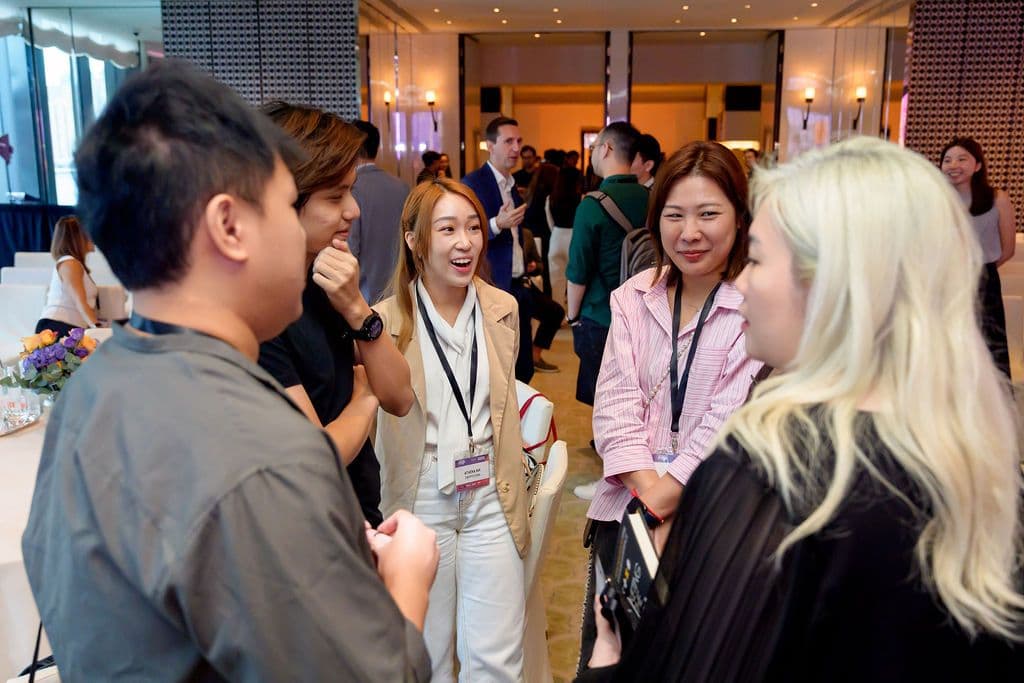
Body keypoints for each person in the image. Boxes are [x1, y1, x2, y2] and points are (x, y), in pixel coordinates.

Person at [22, 60, 437, 680]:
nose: (330, 224)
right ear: (230, 225)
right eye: (284, 203)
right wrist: (407, 579)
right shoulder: (263, 454)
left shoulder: (95, 391)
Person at [579, 137, 1024, 681]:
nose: (741, 282)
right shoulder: (983, 468)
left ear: (832, 283)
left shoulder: (771, 471)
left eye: (758, 258)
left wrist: (606, 663)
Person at [576, 141, 761, 672]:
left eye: (709, 214)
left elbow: (727, 420)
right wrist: (648, 492)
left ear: (739, 217)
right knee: (607, 654)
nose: (690, 232)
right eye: (675, 215)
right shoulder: (634, 295)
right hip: (626, 513)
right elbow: (613, 404)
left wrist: (667, 494)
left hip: (709, 520)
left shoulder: (757, 306)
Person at [374, 177, 529, 682]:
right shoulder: (385, 324)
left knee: (497, 660)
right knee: (425, 658)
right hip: (420, 504)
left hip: (490, 497)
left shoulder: (501, 308)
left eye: (473, 228)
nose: (465, 243)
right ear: (414, 239)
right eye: (448, 229)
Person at [258, 102, 414, 527]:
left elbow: (400, 397)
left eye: (351, 191)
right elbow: (316, 461)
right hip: (311, 527)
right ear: (281, 201)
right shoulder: (258, 311)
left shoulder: (323, 277)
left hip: (356, 512)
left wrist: (356, 309)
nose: (353, 211)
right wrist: (365, 399)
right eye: (334, 197)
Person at [566, 121, 648, 491]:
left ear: (609, 150)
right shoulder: (653, 199)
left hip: (602, 314)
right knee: (642, 399)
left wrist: (571, 316)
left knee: (608, 401)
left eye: (596, 145)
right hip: (648, 311)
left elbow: (577, 271)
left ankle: (609, 480)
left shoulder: (592, 205)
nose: (593, 152)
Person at [463, 116, 537, 380]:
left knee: (523, 367)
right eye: (508, 142)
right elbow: (464, 234)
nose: (516, 148)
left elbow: (515, 236)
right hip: (492, 285)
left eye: (519, 141)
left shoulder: (511, 184)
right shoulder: (474, 183)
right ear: (489, 146)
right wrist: (496, 224)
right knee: (497, 367)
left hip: (518, 284)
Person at [941, 137, 1017, 378]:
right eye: (947, 160)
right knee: (947, 342)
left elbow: (1008, 250)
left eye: (962, 159)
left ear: (978, 165)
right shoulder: (938, 199)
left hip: (984, 280)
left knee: (988, 343)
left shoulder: (998, 199)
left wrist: (979, 268)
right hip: (944, 277)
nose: (953, 165)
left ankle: (993, 405)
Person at [350, 119, 411, 304]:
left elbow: (350, 249)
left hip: (364, 299)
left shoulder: (350, 189)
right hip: (401, 293)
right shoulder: (402, 187)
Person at [35, 215, 98, 336]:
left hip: (68, 328)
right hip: (57, 327)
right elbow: (80, 302)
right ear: (78, 238)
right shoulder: (69, 263)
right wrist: (98, 329)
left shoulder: (73, 263)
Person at [522, 224, 565, 372]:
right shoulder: (495, 233)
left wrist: (533, 267)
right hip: (503, 285)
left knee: (556, 312)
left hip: (524, 283)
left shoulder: (526, 233)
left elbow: (539, 264)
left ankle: (535, 356)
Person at [546, 163, 583, 309]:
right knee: (574, 279)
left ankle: (558, 313)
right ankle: (574, 313)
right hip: (573, 238)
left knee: (556, 281)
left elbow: (550, 221)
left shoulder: (550, 198)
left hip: (556, 237)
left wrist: (556, 232)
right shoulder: (581, 198)